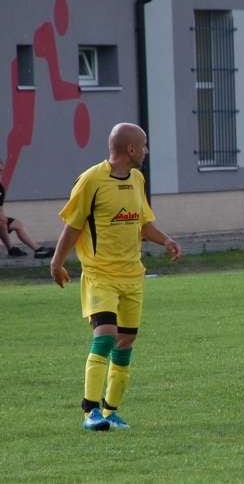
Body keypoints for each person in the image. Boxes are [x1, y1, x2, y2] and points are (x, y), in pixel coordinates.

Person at [50, 123, 181, 431]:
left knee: (125, 341)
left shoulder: (137, 179)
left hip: (132, 276)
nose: (147, 151)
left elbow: (142, 223)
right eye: (145, 146)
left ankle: (110, 412)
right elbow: (73, 225)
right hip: (100, 275)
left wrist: (166, 240)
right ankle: (90, 412)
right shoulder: (91, 180)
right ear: (131, 149)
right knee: (106, 335)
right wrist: (57, 263)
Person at [0, 159, 55, 258]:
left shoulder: (0, 188)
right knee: (2, 221)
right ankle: (11, 249)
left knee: (17, 224)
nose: (0, 174)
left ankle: (37, 249)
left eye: (1, 171)